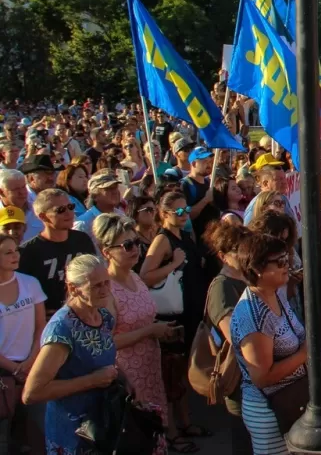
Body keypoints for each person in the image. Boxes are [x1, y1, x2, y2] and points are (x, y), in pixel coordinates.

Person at [93, 213, 175, 454]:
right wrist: (151, 330)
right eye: (127, 245)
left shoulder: (135, 276)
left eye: (136, 243)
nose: (134, 249)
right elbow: (107, 342)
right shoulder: (106, 290)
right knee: (136, 437)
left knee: (153, 432)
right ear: (107, 252)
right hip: (127, 376)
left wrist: (159, 330)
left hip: (150, 366)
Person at [22, 255, 119, 452]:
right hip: (73, 433)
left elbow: (105, 354)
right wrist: (92, 380)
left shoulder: (103, 316)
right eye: (96, 286)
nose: (105, 290)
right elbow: (32, 393)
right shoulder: (62, 330)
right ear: (74, 289)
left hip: (102, 423)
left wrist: (128, 382)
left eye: (106, 283)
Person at [139, 191, 211, 441]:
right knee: (172, 374)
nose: (185, 214)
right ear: (164, 214)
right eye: (178, 212)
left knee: (181, 373)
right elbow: (145, 275)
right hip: (174, 315)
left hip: (192, 309)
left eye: (186, 209)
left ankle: (185, 421)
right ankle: (171, 430)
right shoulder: (163, 240)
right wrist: (173, 264)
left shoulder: (185, 234)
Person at [229, 234, 306, 455]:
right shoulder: (252, 316)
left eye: (287, 259)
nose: (287, 266)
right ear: (257, 269)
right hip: (270, 411)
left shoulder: (275, 293)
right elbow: (261, 377)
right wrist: (305, 354)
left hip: (291, 400)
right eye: (280, 262)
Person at [202, 220, 253, 452]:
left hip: (255, 374)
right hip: (239, 377)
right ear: (223, 256)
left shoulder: (247, 277)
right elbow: (236, 336)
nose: (245, 253)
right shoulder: (222, 287)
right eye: (238, 250)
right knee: (244, 438)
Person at [0, 232, 46, 453]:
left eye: (15, 250)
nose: (14, 255)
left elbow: (41, 326)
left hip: (33, 367)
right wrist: (14, 368)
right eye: (7, 252)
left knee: (35, 434)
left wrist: (30, 361)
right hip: (4, 374)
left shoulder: (30, 283)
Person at [19, 189, 97, 316]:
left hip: (85, 312)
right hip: (49, 318)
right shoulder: (28, 252)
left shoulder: (82, 240)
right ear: (43, 216)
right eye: (60, 210)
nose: (69, 213)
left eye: (70, 207)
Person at [72, 170, 124, 242]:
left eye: (115, 187)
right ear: (95, 196)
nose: (115, 191)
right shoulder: (83, 224)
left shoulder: (120, 214)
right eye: (108, 189)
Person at [180, 147, 219, 238]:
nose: (209, 165)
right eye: (205, 162)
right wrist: (205, 200)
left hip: (213, 237)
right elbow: (186, 216)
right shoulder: (185, 185)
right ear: (194, 163)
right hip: (197, 237)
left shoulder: (209, 183)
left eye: (210, 162)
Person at [0, 170, 43, 243]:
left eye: (23, 187)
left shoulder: (39, 207)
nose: (22, 192)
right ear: (1, 192)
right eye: (16, 189)